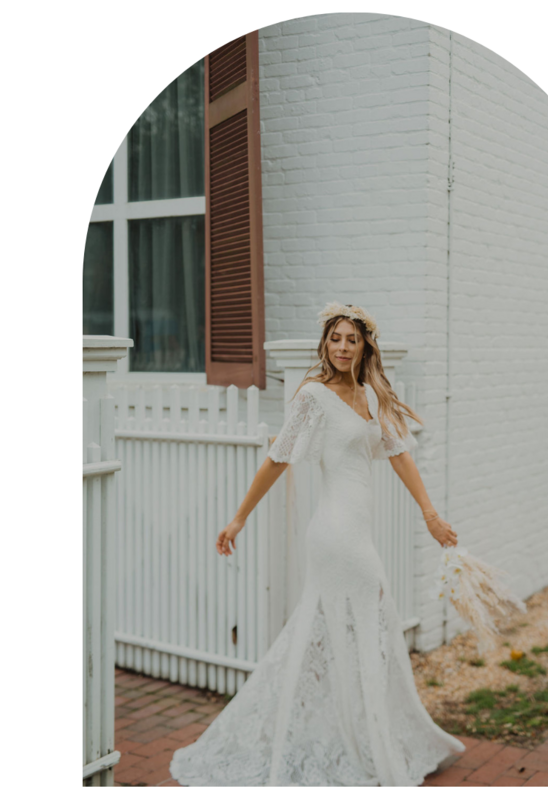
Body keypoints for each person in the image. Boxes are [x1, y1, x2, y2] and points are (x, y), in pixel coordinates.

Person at [170, 301, 465, 786]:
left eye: (352, 339)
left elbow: (400, 456)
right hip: (334, 534)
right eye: (336, 339)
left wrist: (429, 514)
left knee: (356, 630)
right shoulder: (312, 395)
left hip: (356, 530)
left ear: (365, 344)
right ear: (325, 344)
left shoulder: (371, 396)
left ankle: (358, 734)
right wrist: (238, 518)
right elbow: (276, 459)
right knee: (369, 624)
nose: (343, 347)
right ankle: (358, 741)